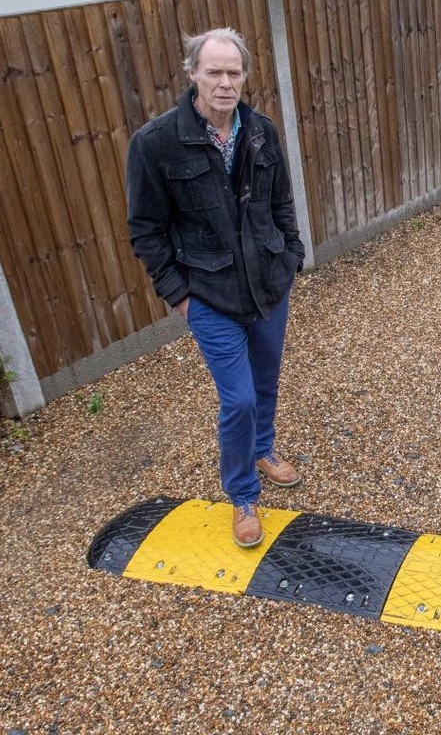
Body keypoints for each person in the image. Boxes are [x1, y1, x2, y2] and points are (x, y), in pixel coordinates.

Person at [126, 28, 306, 548]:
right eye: (214, 72)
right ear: (192, 75)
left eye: (234, 72)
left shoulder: (260, 131)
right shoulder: (156, 142)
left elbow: (282, 203)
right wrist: (178, 294)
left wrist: (290, 257)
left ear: (245, 76)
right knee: (239, 399)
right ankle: (243, 494)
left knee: (266, 381)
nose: (225, 83)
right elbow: (145, 228)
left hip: (269, 284)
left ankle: (264, 448)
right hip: (208, 295)